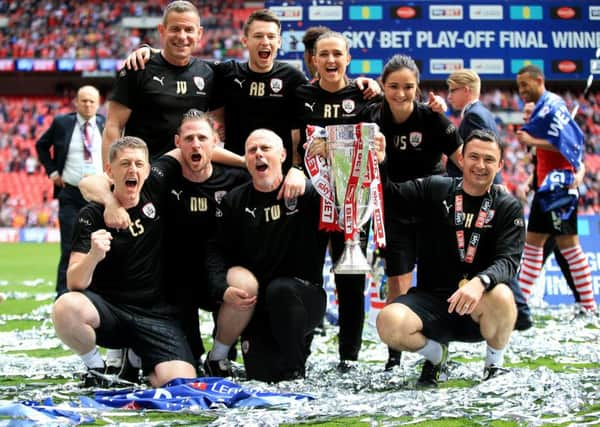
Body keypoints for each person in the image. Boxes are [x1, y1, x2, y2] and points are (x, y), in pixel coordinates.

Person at [377, 129, 525, 386]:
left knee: (503, 296)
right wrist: (380, 162)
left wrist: (480, 283)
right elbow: (390, 197)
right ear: (460, 159)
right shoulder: (436, 189)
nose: (480, 165)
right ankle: (437, 356)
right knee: (387, 321)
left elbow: (509, 260)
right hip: (431, 302)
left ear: (500, 164)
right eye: (474, 157)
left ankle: (493, 366)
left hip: (479, 305)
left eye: (489, 160)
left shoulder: (507, 206)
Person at [52, 136, 197, 388]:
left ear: (149, 169)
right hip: (110, 311)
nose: (133, 170)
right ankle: (96, 369)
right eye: (125, 164)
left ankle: (138, 358)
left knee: (180, 384)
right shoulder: (92, 214)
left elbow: (193, 147)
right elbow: (74, 281)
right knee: (66, 307)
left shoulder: (156, 188)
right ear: (109, 171)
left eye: (139, 164)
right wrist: (94, 255)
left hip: (155, 314)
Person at [292, 31, 384, 372]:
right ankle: (300, 351)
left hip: (354, 202)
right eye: (324, 54)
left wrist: (331, 141)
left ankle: (350, 357)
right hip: (312, 199)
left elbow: (375, 145)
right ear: (313, 59)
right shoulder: (300, 96)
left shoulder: (365, 97)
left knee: (350, 279)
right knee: (307, 277)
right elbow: (294, 146)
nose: (331, 60)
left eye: (337, 54)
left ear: (348, 58)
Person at [209, 128, 330, 382]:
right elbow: (217, 252)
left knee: (281, 290)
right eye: (252, 151)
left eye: (265, 148)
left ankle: (296, 374)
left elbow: (341, 198)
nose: (258, 155)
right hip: (259, 306)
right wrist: (222, 289)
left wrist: (303, 174)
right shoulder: (235, 201)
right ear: (246, 160)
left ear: (283, 154)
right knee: (262, 376)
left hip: (303, 297)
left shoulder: (308, 193)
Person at [514, 65, 596, 312]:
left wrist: (532, 141)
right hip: (549, 189)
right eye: (518, 87)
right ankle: (520, 305)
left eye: (525, 85)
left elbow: (568, 145)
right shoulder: (547, 106)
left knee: (567, 249)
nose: (521, 92)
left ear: (539, 81)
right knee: (536, 247)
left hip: (558, 189)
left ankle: (588, 306)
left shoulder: (551, 106)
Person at [102, 1, 221, 163]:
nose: (182, 36)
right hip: (143, 176)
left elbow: (220, 125)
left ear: (199, 34)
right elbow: (113, 126)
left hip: (189, 177)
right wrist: (110, 175)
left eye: (189, 30)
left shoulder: (208, 73)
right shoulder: (138, 67)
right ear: (162, 31)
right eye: (175, 29)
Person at [36, 85, 104, 297]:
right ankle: (63, 293)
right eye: (83, 100)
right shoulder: (62, 123)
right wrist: (53, 172)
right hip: (71, 194)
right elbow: (41, 145)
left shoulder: (105, 124)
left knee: (101, 245)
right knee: (69, 245)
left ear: (98, 103)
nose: (88, 104)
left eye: (92, 101)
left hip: (98, 195)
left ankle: (98, 292)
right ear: (76, 102)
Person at [521, 102, 580, 307]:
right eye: (524, 112)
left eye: (528, 112)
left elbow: (575, 159)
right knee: (549, 251)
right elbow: (537, 168)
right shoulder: (537, 135)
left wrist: (579, 176)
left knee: (555, 251)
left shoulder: (549, 132)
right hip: (543, 196)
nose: (524, 116)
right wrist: (528, 183)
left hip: (557, 196)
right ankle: (522, 302)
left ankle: (520, 302)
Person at [446, 69, 502, 184]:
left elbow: (483, 157)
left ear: (466, 90)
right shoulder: (482, 112)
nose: (449, 97)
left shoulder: (473, 116)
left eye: (452, 91)